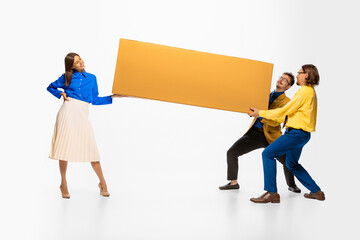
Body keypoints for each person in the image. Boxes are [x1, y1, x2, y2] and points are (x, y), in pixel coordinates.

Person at [47, 52, 126, 198]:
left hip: (82, 114)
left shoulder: (92, 78)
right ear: (71, 66)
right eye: (77, 62)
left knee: (91, 149)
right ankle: (63, 183)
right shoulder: (66, 77)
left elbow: (94, 100)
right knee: (64, 148)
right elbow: (50, 87)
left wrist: (113, 97)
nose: (81, 62)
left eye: (80, 59)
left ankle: (103, 183)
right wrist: (61, 94)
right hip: (67, 113)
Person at [248, 64, 325, 203]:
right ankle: (316, 192)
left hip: (295, 134)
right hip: (302, 134)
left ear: (306, 75)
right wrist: (261, 116)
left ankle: (272, 193)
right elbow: (287, 116)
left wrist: (260, 112)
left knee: (267, 153)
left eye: (299, 73)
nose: (297, 75)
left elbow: (284, 110)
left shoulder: (304, 92)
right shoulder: (308, 92)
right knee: (291, 164)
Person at [219, 73, 301, 193]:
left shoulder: (287, 102)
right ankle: (233, 183)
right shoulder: (263, 95)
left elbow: (278, 120)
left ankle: (292, 185)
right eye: (280, 77)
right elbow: (251, 105)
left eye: (285, 80)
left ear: (288, 87)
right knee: (231, 152)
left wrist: (260, 115)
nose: (281, 80)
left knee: (287, 160)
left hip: (272, 136)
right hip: (254, 134)